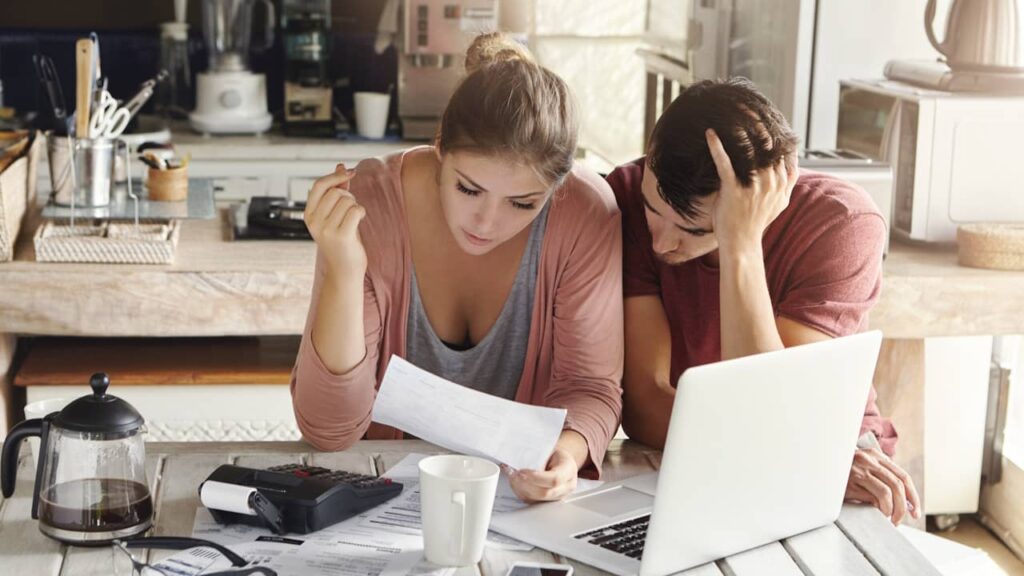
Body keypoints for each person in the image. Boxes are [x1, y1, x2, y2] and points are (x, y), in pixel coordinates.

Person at [290, 33, 623, 503]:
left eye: (523, 203)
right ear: (440, 146)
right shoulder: (368, 204)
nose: (486, 223)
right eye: (468, 189)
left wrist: (566, 455)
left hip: (514, 505)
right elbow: (330, 429)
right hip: (379, 502)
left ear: (556, 187)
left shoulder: (586, 213)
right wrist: (345, 272)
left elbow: (588, 387)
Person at [608, 78, 921, 524]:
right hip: (710, 450)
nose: (661, 244)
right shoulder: (623, 195)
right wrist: (784, 452)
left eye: (694, 230)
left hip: (836, 456)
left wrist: (740, 244)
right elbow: (645, 404)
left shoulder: (841, 221)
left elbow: (777, 407)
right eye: (652, 210)